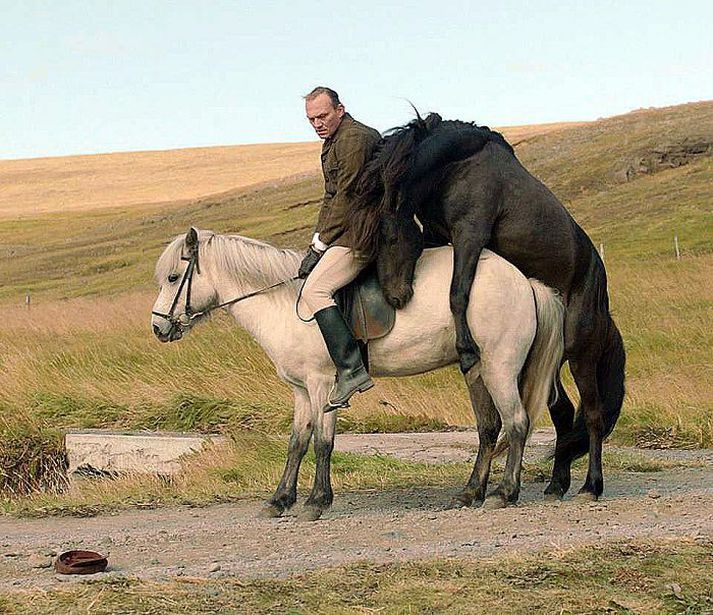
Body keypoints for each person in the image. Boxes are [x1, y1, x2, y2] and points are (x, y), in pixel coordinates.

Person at [297, 86, 381, 412]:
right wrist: (316, 239)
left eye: (322, 116)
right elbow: (330, 198)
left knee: (315, 291)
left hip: (365, 234)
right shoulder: (333, 142)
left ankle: (351, 369)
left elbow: (346, 197)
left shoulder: (353, 140)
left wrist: (320, 245)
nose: (317, 123)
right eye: (311, 119)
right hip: (349, 231)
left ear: (340, 110)